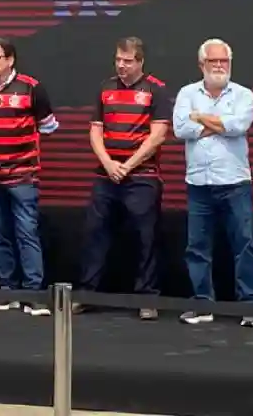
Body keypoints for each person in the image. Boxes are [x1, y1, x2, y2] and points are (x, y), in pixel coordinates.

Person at [77, 36, 171, 320]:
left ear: (140, 62)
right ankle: (86, 294)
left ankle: (147, 297)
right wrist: (108, 163)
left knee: (145, 237)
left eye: (127, 61)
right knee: (95, 233)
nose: (121, 65)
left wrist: (127, 165)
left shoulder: (156, 89)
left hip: (142, 175)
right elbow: (95, 131)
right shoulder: (106, 88)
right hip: (106, 175)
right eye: (118, 59)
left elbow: (158, 136)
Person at [172, 38, 253, 327]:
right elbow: (180, 128)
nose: (220, 66)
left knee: (244, 244)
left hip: (235, 182)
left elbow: (239, 127)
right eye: (214, 62)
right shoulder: (187, 93)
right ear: (202, 65)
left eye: (225, 61)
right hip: (199, 183)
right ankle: (202, 305)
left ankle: (251, 306)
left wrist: (201, 118)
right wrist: (218, 124)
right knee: (197, 247)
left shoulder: (243, 95)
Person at [0, 38, 59, 316]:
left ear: (10, 60)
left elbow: (49, 126)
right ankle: (8, 290)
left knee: (27, 232)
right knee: (0, 235)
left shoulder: (32, 88)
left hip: (23, 176)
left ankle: (33, 295)